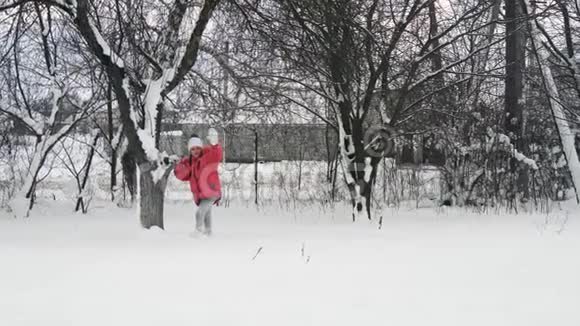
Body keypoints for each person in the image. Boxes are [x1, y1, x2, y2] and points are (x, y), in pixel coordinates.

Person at [174, 128, 222, 236]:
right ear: (190, 151)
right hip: (201, 195)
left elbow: (217, 155)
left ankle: (198, 232)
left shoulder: (207, 157)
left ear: (201, 148)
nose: (195, 151)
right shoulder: (189, 163)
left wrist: (215, 145)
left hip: (211, 192)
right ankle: (208, 233)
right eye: (193, 149)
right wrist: (178, 165)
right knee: (207, 214)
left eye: (197, 148)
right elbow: (182, 175)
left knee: (200, 213)